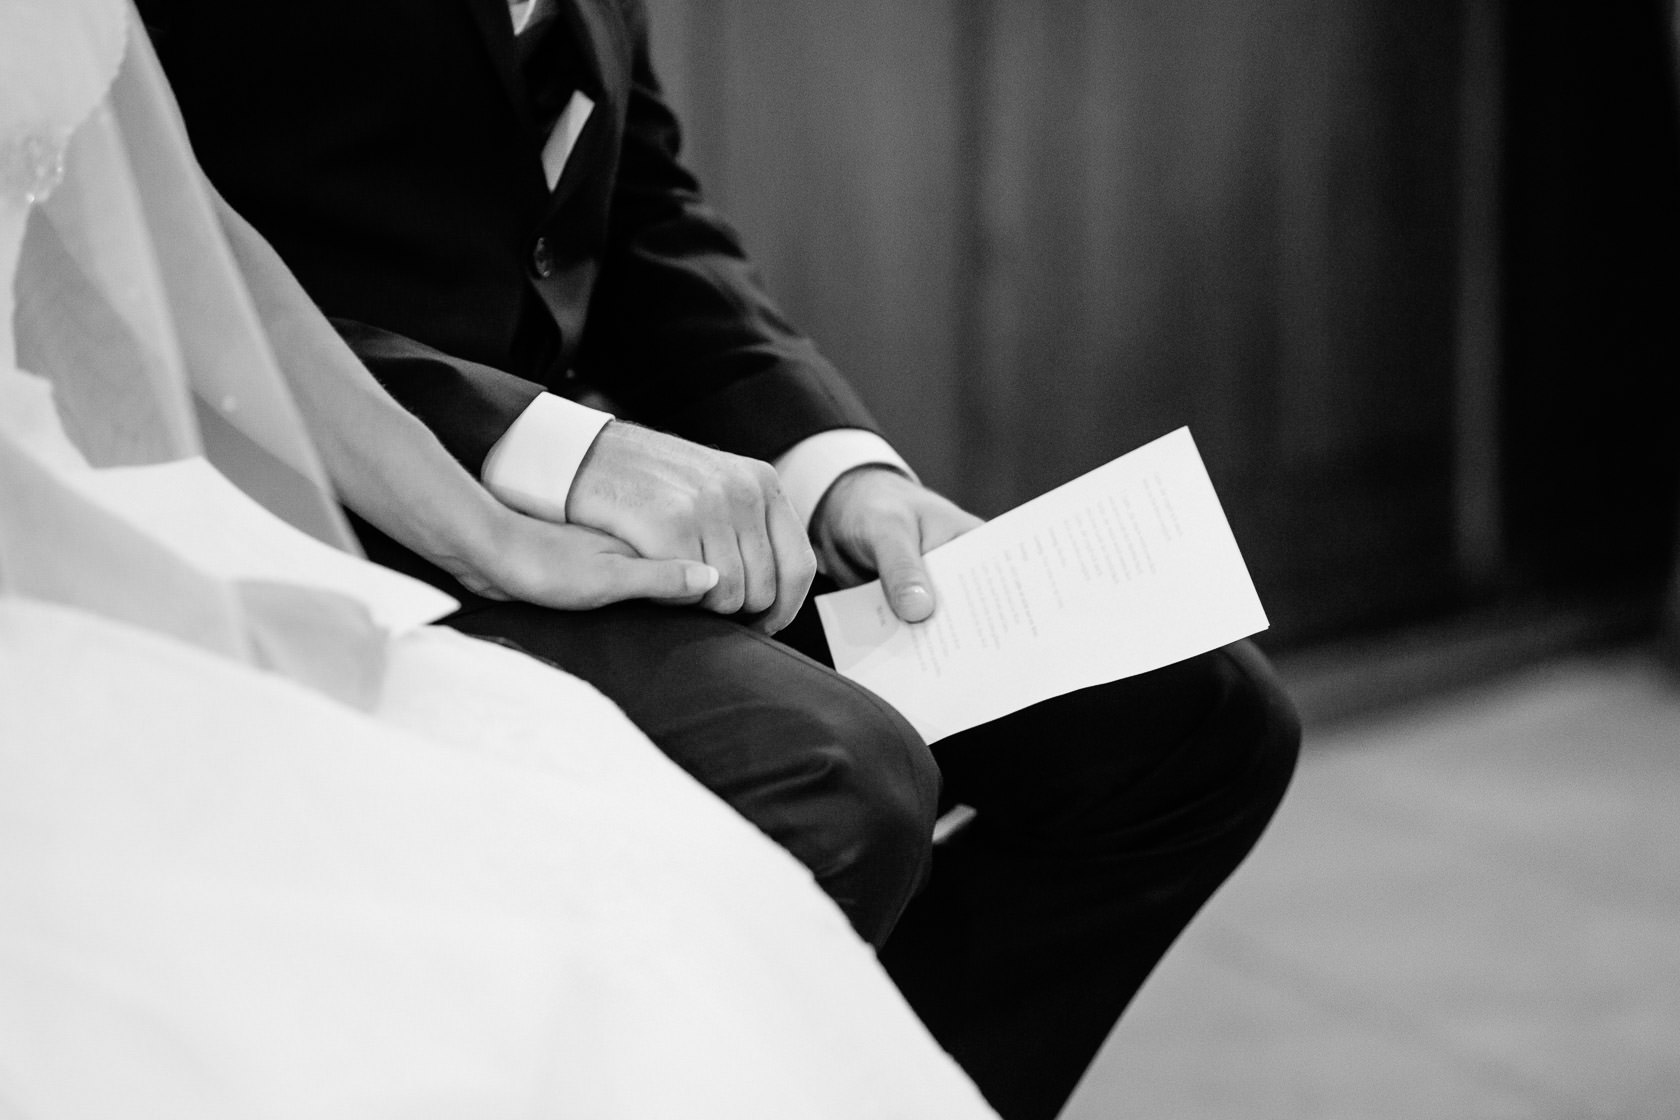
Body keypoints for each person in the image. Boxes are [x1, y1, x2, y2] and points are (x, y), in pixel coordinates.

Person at [138, 2, 1302, 1116]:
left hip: (599, 503)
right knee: (838, 781)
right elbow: (143, 262)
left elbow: (644, 217)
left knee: (1196, 723)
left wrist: (835, 464)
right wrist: (559, 452)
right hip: (304, 518)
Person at [0, 3, 1000, 1115]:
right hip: (159, 501)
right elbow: (107, 273)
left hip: (410, 473)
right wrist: (533, 476)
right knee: (822, 782)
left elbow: (191, 243)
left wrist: (500, 534)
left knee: (1181, 717)